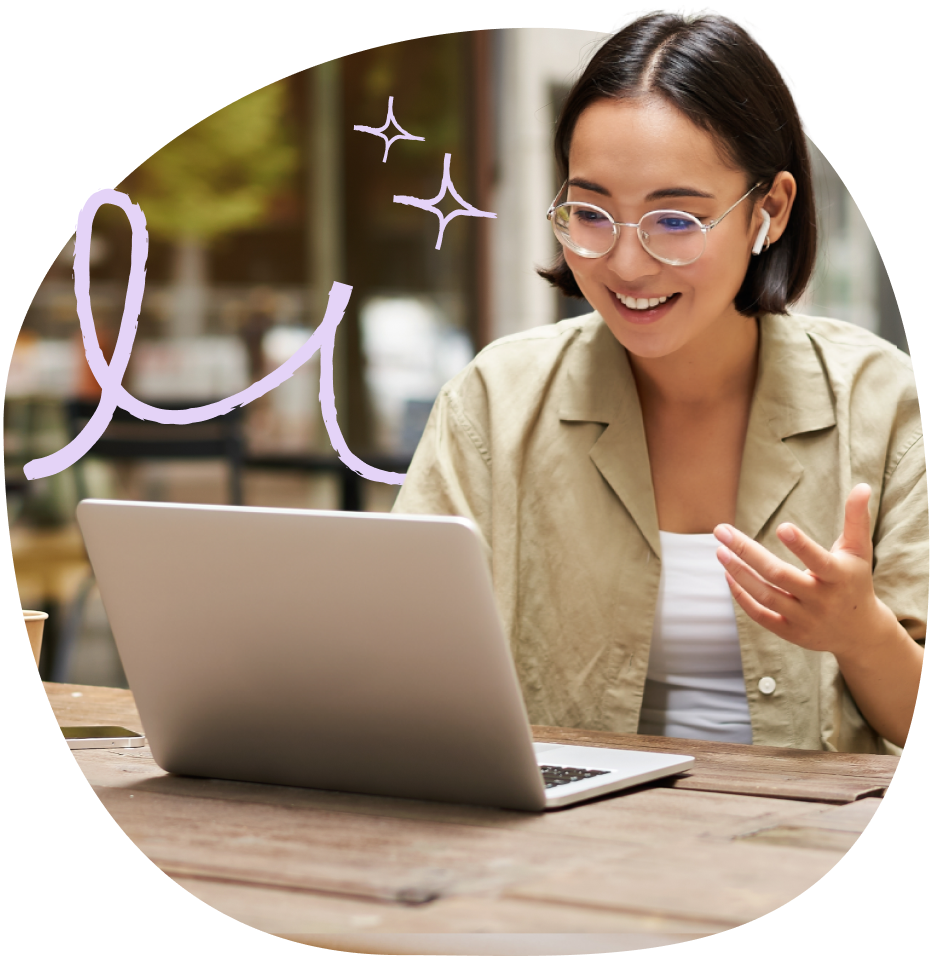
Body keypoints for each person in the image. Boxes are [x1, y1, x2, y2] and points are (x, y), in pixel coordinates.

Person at [391, 10, 925, 753]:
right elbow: (397, 663)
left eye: (675, 220)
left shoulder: (885, 403)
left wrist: (860, 634)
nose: (626, 264)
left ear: (770, 210)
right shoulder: (493, 401)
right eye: (591, 212)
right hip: (569, 824)